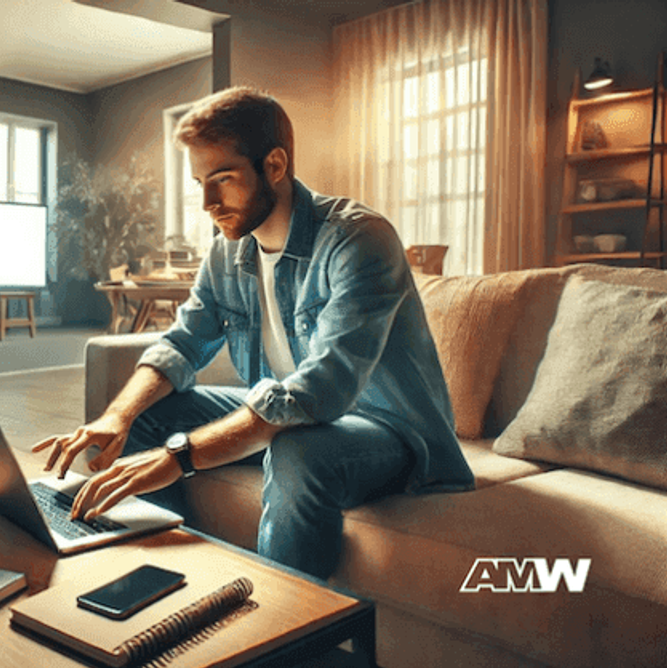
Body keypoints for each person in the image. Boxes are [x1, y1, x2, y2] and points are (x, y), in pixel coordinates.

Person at [33, 86, 474, 580]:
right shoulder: (228, 251)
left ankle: (284, 634)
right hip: (289, 415)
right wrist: (117, 416)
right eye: (200, 182)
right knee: (149, 412)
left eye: (222, 179)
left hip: (389, 431)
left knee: (298, 448)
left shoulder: (357, 239)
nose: (206, 202)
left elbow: (320, 392)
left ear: (276, 166)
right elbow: (182, 343)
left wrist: (179, 457)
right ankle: (156, 576)